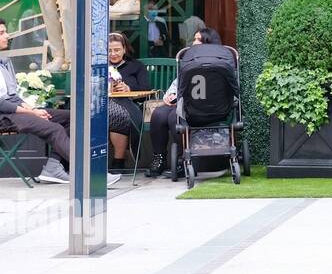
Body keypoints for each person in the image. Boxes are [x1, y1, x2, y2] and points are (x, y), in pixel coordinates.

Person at [0, 20, 118, 185]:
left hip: (15, 110)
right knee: (54, 128)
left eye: (5, 31)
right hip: (4, 116)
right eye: (2, 33)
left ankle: (53, 167)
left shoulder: (4, 62)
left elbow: (12, 95)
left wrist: (32, 107)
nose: (7, 36)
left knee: (74, 117)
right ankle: (91, 173)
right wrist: (32, 112)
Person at [146, 27, 220, 178]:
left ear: (209, 43)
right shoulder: (189, 61)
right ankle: (159, 158)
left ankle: (184, 159)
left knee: (175, 117)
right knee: (159, 113)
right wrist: (169, 96)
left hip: (207, 108)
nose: (194, 42)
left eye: (199, 39)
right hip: (184, 106)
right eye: (194, 39)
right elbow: (176, 84)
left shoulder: (219, 63)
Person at [108, 32, 149, 170]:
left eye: (117, 50)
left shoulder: (136, 66)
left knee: (118, 114)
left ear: (125, 49)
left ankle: (118, 160)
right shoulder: (98, 67)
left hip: (127, 103)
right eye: (109, 50)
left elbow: (145, 89)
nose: (113, 54)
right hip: (102, 104)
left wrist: (128, 88)